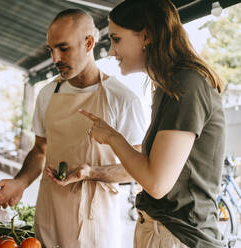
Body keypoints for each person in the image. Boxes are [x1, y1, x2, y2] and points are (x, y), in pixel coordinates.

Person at [0, 9, 146, 247]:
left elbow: (138, 168)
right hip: (49, 216)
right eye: (51, 50)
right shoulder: (46, 94)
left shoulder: (123, 99)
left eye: (63, 48)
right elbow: (40, 150)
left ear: (89, 43)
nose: (55, 58)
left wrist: (91, 172)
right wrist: (20, 182)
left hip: (97, 224)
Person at [77, 0, 226, 247]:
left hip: (179, 236)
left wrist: (113, 138)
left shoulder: (187, 85)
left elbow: (156, 183)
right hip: (162, 230)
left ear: (146, 36)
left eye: (116, 39)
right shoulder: (167, 87)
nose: (111, 51)